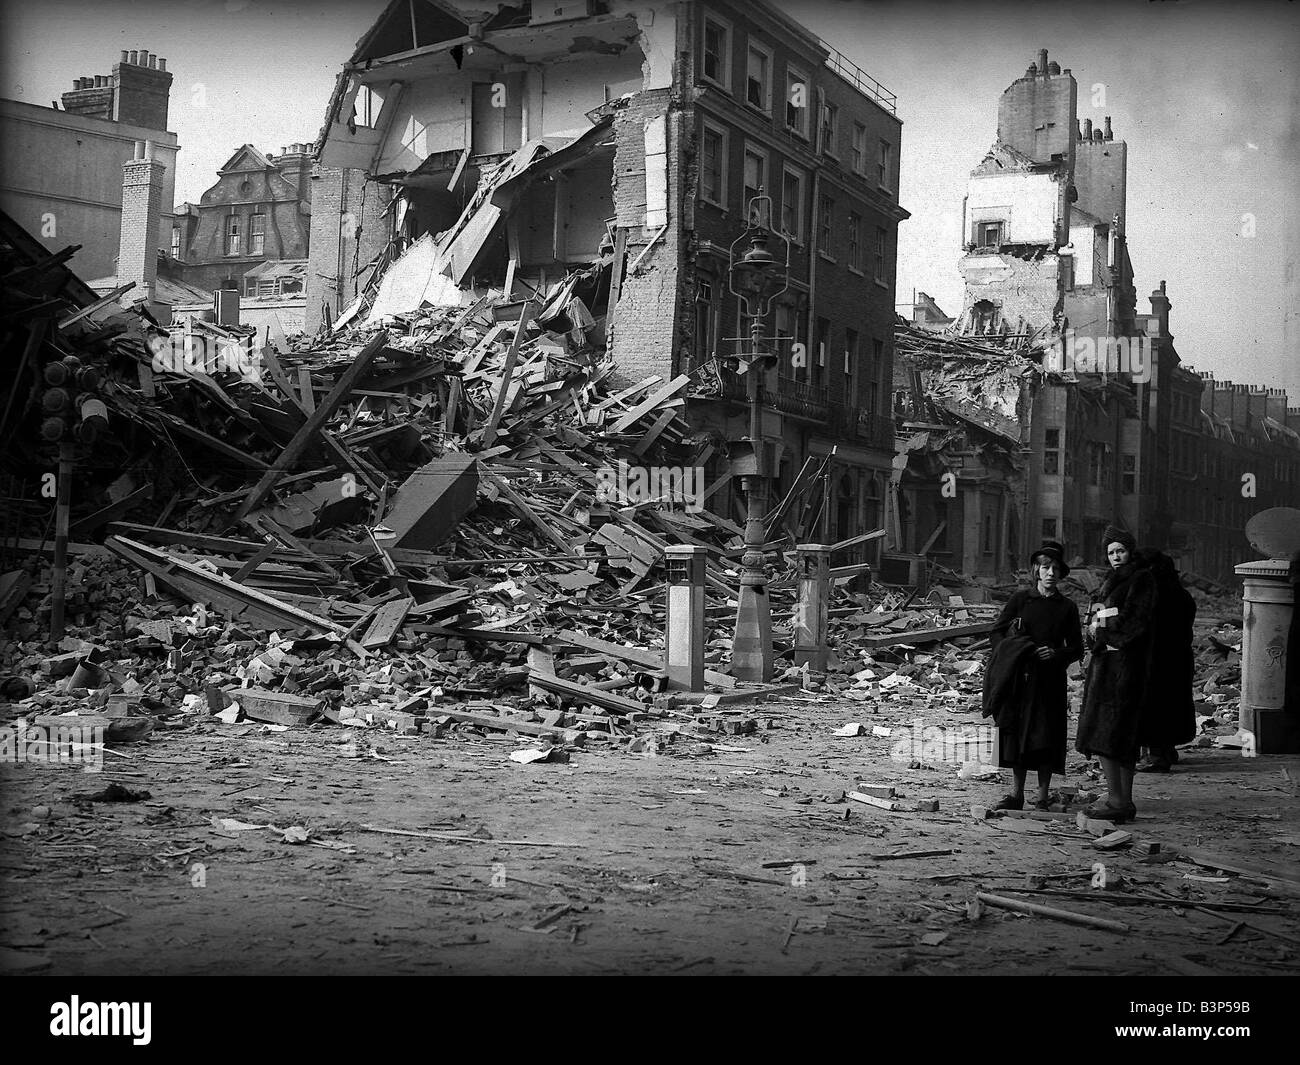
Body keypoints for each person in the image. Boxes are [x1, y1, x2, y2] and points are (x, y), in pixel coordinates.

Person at [981, 541, 1084, 810]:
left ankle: (1042, 796)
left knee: (1045, 737)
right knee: (1015, 733)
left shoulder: (1067, 607)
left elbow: (1076, 648)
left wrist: (1057, 654)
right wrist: (1011, 652)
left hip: (1049, 681)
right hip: (1019, 678)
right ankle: (1016, 794)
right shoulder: (1020, 600)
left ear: (1062, 573)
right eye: (1045, 567)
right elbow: (997, 632)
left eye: (1055, 568)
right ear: (1036, 571)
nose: (1050, 573)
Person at [1075, 525, 1158, 823]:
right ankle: (1121, 799)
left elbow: (1135, 621)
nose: (1115, 556)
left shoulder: (1141, 579)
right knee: (1115, 735)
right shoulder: (1109, 581)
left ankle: (1117, 800)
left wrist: (1102, 628)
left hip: (1123, 668)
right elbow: (1095, 612)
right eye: (1111, 552)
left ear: (1130, 550)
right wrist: (1090, 627)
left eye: (1120, 550)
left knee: (1112, 734)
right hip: (1106, 666)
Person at [1135, 548, 1197, 772]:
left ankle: (1157, 755)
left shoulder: (1153, 595)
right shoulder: (1182, 594)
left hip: (1156, 659)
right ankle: (1166, 749)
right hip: (1178, 659)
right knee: (1172, 704)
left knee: (1154, 707)